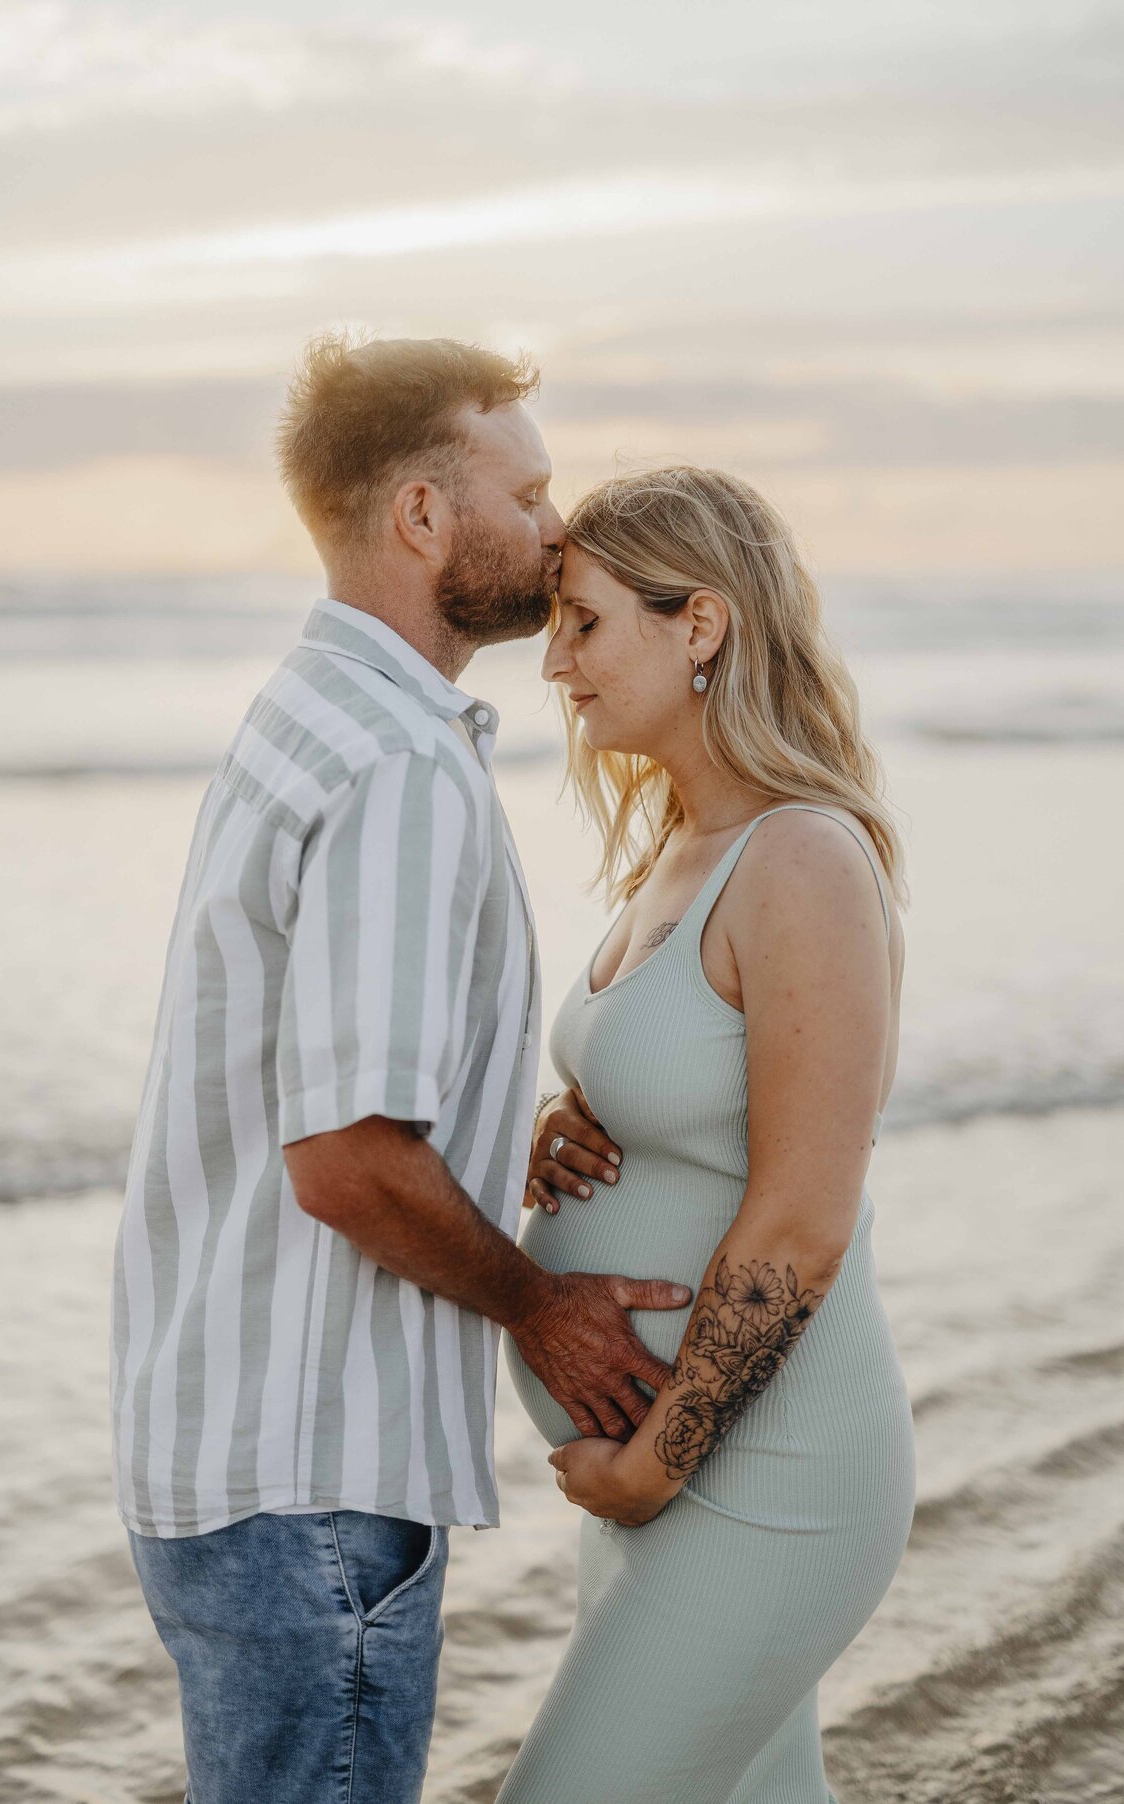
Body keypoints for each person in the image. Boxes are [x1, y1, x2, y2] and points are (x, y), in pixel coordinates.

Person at [109, 336, 693, 1804]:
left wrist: (501, 1134)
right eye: (531, 491)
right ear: (424, 517)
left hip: (220, 1445)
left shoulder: (306, 717)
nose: (561, 531)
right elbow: (346, 1159)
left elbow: (302, 1099)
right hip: (314, 1484)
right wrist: (543, 1310)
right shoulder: (399, 767)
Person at [501, 466, 916, 1803]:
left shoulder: (802, 859)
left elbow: (803, 1222)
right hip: (666, 1466)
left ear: (701, 626)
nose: (556, 666)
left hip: (764, 1472)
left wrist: (651, 1462)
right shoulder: (683, 844)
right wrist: (576, 1123)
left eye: (584, 622)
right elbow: (706, 1091)